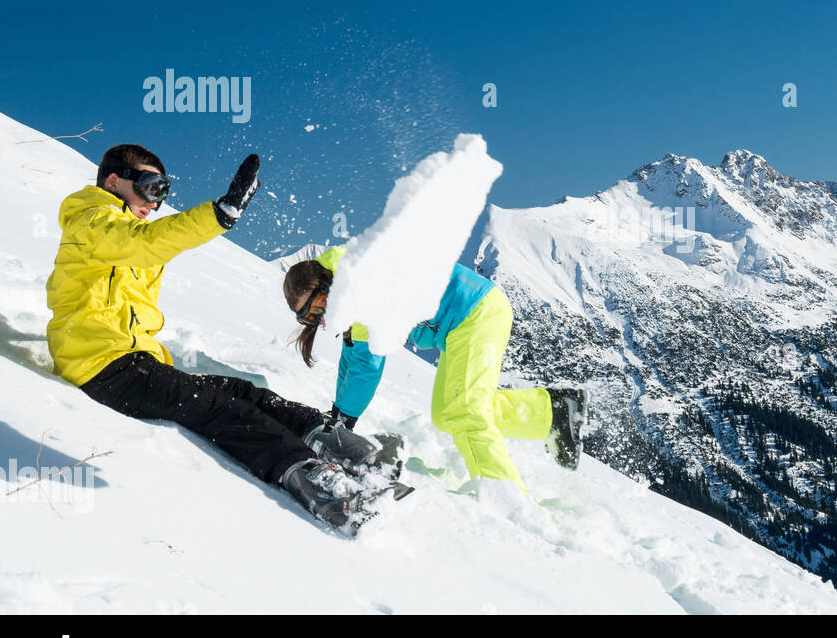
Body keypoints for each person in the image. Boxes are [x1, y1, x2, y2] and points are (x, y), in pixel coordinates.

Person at [46, 143, 391, 533]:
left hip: (135, 364)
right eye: (149, 186)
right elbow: (144, 242)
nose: (156, 201)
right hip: (101, 366)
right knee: (223, 409)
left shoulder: (124, 231)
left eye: (164, 191)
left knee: (245, 393)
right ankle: (323, 486)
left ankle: (347, 448)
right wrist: (218, 215)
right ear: (114, 180)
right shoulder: (92, 220)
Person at [281, 244, 587, 496]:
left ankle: (506, 498)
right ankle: (551, 411)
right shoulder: (347, 284)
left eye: (319, 304)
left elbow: (366, 365)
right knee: (447, 413)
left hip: (474, 312)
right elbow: (353, 353)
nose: (319, 317)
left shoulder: (359, 286)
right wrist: (338, 414)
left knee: (465, 412)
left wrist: (343, 421)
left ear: (324, 282)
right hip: (463, 322)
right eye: (308, 317)